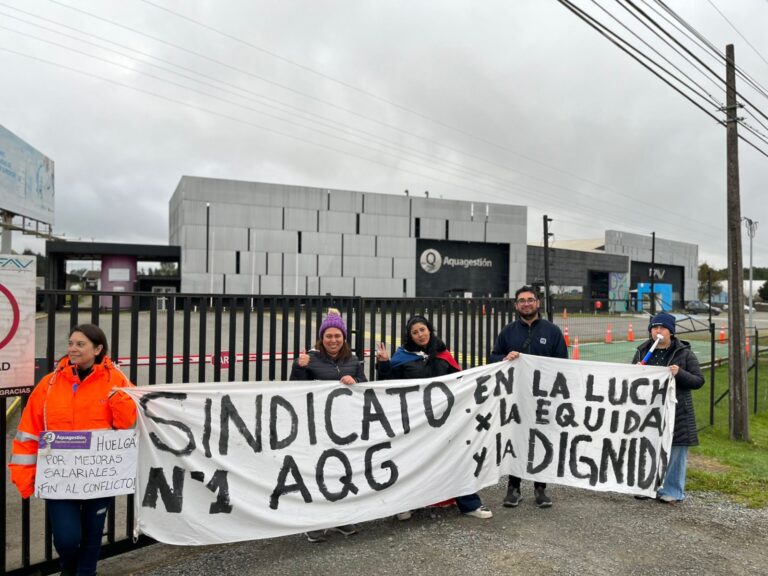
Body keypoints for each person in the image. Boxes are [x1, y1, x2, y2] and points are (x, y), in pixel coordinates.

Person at [9, 324, 137, 576]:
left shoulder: (118, 380)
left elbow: (129, 426)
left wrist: (119, 399)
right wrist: (25, 474)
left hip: (100, 477)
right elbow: (28, 431)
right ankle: (68, 569)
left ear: (98, 349)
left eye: (80, 344)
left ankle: (86, 572)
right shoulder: (49, 384)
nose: (72, 349)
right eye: (70, 343)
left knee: (91, 536)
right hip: (59, 478)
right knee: (67, 540)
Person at [376, 315, 493, 520]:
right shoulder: (402, 357)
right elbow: (387, 385)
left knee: (456, 459)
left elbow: (460, 381)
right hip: (415, 421)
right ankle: (406, 504)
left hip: (445, 420)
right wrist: (385, 364)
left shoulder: (443, 354)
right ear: (409, 336)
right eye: (415, 332)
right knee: (412, 462)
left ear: (429, 330)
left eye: (422, 330)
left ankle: (469, 503)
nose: (420, 335)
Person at [289, 308, 366, 542]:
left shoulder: (352, 360)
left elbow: (364, 386)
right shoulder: (310, 359)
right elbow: (294, 389)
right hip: (316, 427)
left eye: (337, 336)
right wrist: (299, 367)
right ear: (322, 338)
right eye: (328, 336)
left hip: (344, 428)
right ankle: (313, 523)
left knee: (341, 473)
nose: (333, 340)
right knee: (315, 474)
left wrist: (356, 380)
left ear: (344, 338)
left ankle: (341, 519)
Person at [489, 286, 568, 509]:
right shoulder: (507, 332)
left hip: (544, 398)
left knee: (542, 440)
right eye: (521, 301)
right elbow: (494, 357)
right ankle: (513, 487)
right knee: (516, 439)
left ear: (538, 303)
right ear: (516, 305)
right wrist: (505, 357)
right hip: (516, 397)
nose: (526, 304)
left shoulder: (552, 332)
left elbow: (563, 364)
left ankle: (540, 488)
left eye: (530, 300)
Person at [631, 311, 704, 503]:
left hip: (677, 411)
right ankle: (646, 486)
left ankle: (671, 490)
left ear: (671, 331)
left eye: (662, 327)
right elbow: (629, 382)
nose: (658, 331)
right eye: (654, 327)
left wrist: (679, 373)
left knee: (676, 451)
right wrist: (635, 371)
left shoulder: (684, 353)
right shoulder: (641, 351)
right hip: (649, 410)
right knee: (647, 448)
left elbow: (698, 381)